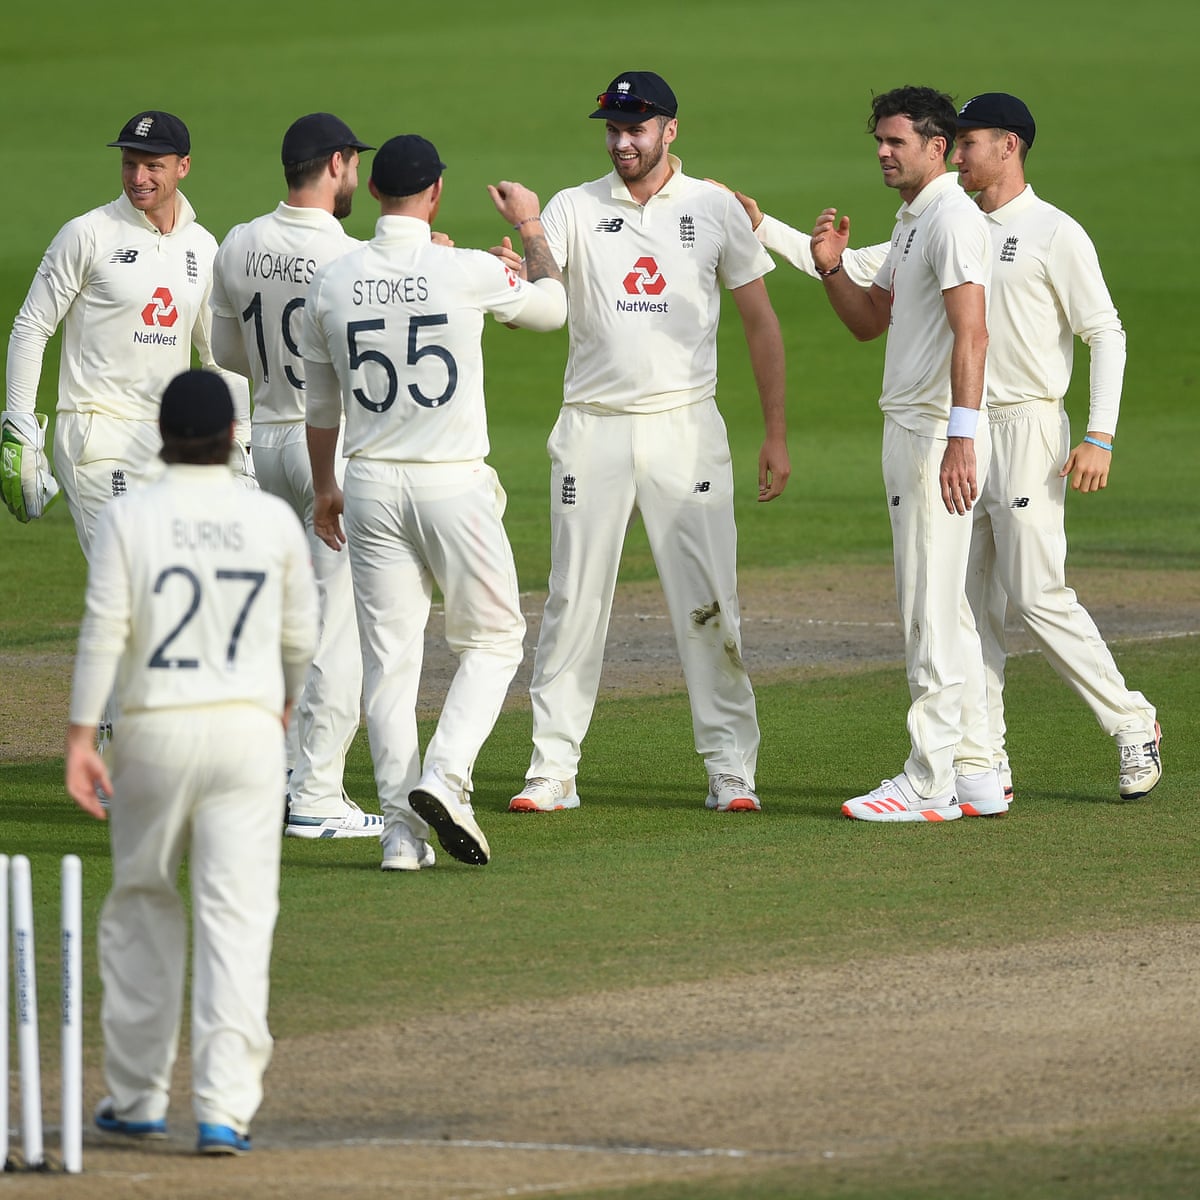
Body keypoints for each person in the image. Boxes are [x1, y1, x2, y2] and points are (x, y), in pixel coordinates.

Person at [507, 70, 790, 817]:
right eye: (613, 129)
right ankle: (552, 769)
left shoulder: (714, 208)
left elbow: (761, 323)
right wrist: (524, 250)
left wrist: (776, 434)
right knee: (572, 599)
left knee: (708, 603)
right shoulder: (572, 206)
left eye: (637, 128)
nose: (623, 142)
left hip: (686, 428)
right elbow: (543, 294)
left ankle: (730, 766)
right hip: (591, 425)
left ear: (671, 129)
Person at [64, 369, 318, 1156]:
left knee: (142, 901)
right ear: (233, 437)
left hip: (155, 730)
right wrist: (282, 699)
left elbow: (105, 626)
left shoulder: (130, 515)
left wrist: (79, 738)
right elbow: (302, 636)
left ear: (163, 436)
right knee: (237, 921)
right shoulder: (271, 517)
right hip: (247, 733)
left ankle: (137, 1098)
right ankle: (223, 1109)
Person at [301, 134, 567, 869]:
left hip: (370, 483)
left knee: (389, 665)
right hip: (451, 482)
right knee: (494, 641)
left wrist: (325, 488)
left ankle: (398, 834)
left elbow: (320, 404)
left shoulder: (333, 279)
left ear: (377, 192)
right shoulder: (465, 270)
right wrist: (531, 230)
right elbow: (552, 310)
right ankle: (446, 776)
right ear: (436, 193)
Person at [949, 93, 1160, 799]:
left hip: (1030, 427)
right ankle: (986, 761)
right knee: (965, 603)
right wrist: (776, 234)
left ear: (1008, 145)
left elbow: (1106, 332)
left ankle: (1132, 723)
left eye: (967, 142)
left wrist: (1099, 434)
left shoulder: (1052, 231)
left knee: (1036, 594)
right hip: (963, 430)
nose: (956, 155)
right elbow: (867, 269)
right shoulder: (958, 225)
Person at [812, 84, 1001, 822]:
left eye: (897, 142)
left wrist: (960, 435)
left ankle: (928, 781)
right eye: (879, 142)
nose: (884, 154)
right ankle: (978, 771)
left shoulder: (952, 219)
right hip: (914, 429)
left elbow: (973, 332)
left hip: (933, 434)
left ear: (937, 147)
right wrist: (831, 265)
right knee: (947, 608)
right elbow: (870, 321)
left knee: (927, 608)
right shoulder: (916, 219)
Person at [210, 112, 383, 839]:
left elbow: (226, 351)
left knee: (282, 625)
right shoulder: (346, 257)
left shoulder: (238, 242)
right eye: (352, 168)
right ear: (338, 163)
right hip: (328, 448)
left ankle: (275, 780)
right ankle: (316, 794)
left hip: (267, 439)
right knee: (337, 629)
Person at [4, 110, 252, 555]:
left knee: (181, 572)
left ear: (183, 166)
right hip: (95, 435)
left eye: (153, 166)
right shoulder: (87, 234)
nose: (138, 177)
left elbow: (219, 356)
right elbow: (31, 326)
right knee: (135, 574)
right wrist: (19, 427)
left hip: (169, 441)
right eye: (129, 163)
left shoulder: (202, 246)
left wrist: (241, 441)